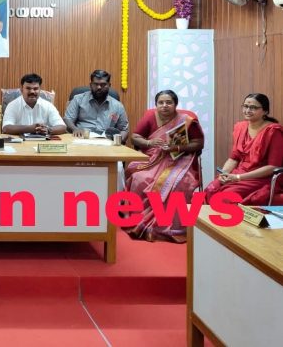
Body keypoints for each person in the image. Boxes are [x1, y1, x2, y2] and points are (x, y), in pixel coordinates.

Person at [124, 89, 204, 243]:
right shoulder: (150, 116)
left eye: (169, 102)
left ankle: (171, 227)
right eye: (161, 102)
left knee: (180, 183)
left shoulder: (186, 120)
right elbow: (135, 137)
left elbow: (198, 143)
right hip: (153, 158)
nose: (164, 105)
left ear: (175, 104)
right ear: (156, 105)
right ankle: (138, 220)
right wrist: (149, 142)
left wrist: (177, 147)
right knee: (139, 177)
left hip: (181, 159)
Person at [205, 93, 283, 205]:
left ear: (265, 111)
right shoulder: (240, 127)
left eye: (253, 107)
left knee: (225, 197)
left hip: (261, 177)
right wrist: (224, 174)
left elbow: (273, 167)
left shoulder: (273, 131)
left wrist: (238, 177)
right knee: (210, 189)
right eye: (245, 106)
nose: (248, 110)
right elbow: (234, 158)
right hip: (239, 173)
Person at [64, 70, 129, 141]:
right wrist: (75, 129)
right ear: (91, 85)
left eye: (103, 84)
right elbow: (68, 119)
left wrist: (119, 140)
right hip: (82, 138)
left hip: (106, 141)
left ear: (109, 85)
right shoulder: (78, 99)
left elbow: (124, 130)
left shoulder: (118, 106)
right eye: (95, 84)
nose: (99, 87)